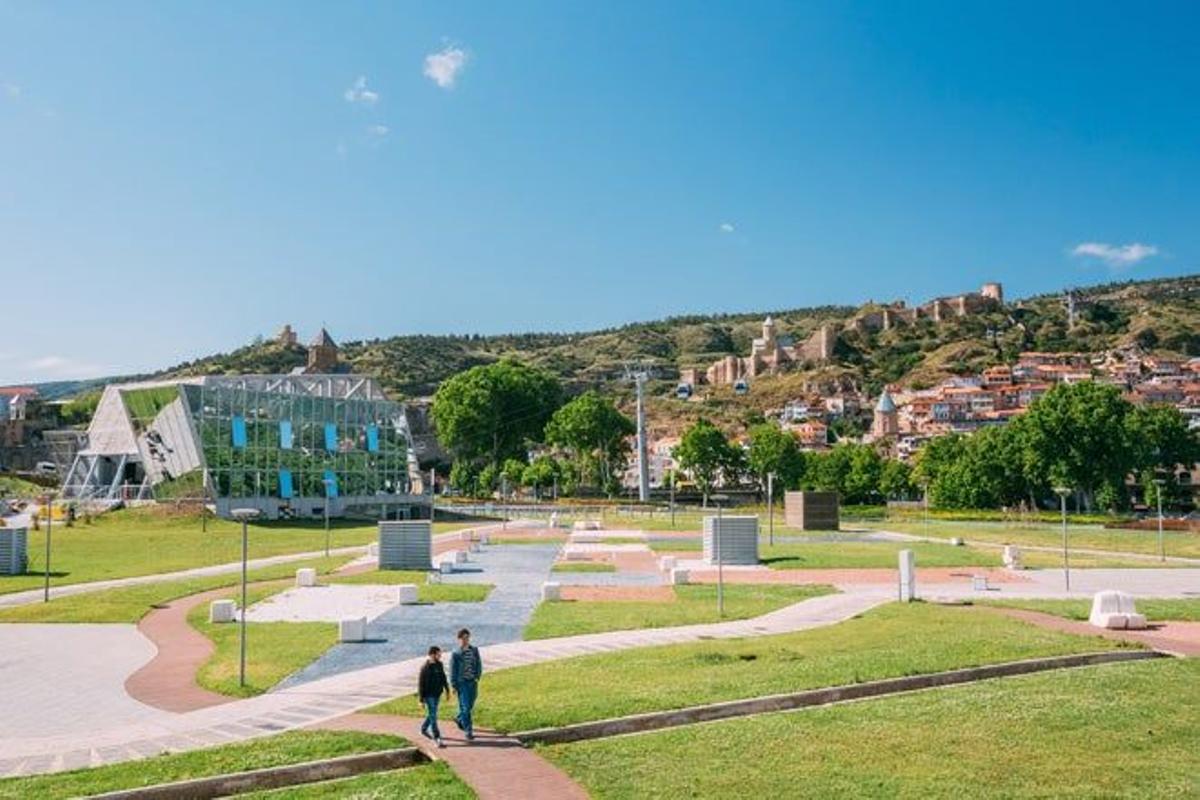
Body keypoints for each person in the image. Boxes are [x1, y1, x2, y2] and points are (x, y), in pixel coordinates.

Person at [449, 627, 483, 741]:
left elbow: (478, 663)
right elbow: (452, 670)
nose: (465, 640)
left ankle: (459, 719)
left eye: (467, 638)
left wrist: (478, 676)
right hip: (462, 683)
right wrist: (453, 685)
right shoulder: (456, 653)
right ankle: (468, 731)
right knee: (466, 708)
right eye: (463, 638)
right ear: (459, 639)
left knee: (470, 704)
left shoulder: (474, 650)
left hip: (472, 682)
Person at [418, 646, 450, 747]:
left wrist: (447, 690)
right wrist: (421, 700)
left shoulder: (439, 664)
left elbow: (443, 677)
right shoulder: (425, 668)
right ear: (432, 654)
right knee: (434, 716)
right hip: (429, 696)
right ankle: (437, 738)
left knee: (432, 714)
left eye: (440, 653)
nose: (440, 655)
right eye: (438, 654)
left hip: (437, 694)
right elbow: (421, 684)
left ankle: (423, 728)